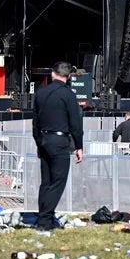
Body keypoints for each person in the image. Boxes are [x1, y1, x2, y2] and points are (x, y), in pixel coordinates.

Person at [32, 61, 84, 231]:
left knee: (46, 183)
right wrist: (79, 146)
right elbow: (75, 124)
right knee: (58, 182)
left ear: (53, 74)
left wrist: (39, 142)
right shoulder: (68, 95)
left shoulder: (40, 93)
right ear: (68, 77)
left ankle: (44, 218)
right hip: (60, 141)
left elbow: (35, 123)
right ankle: (44, 222)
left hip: (44, 140)